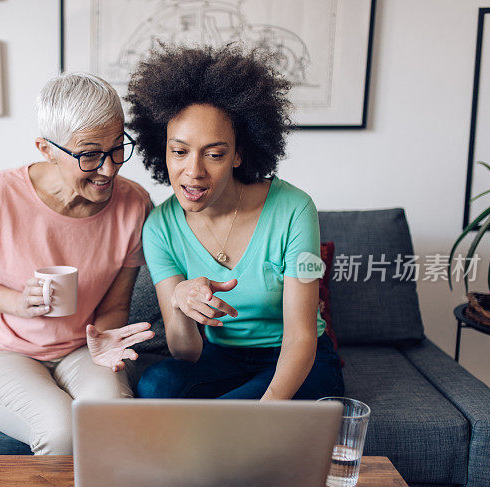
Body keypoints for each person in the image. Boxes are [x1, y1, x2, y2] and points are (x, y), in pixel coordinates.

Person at [125, 45, 344, 400]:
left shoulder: (294, 208)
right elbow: (186, 352)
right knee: (156, 385)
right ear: (160, 148)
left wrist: (264, 411)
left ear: (239, 154)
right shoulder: (160, 227)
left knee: (229, 417)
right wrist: (180, 298)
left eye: (214, 154)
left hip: (298, 357)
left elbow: (301, 335)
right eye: (179, 151)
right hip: (221, 357)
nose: (193, 172)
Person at [0, 72, 154, 454]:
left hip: (82, 350)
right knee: (62, 431)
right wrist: (17, 302)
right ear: (46, 149)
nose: (109, 169)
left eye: (116, 148)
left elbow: (114, 306)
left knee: (112, 422)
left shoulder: (134, 205)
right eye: (90, 154)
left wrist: (106, 340)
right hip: (3, 353)